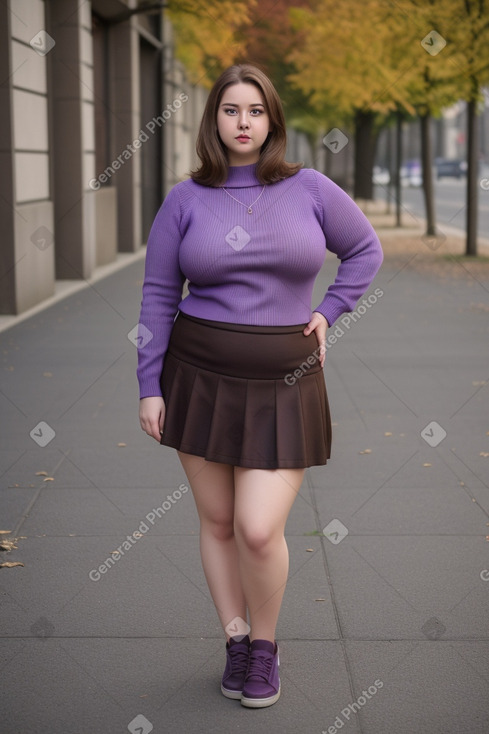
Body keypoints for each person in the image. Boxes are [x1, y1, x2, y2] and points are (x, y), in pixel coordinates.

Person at [137, 63, 383, 708]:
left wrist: (330, 311)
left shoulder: (310, 188)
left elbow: (365, 251)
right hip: (197, 374)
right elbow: (160, 294)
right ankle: (238, 641)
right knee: (217, 521)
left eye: (254, 110)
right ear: (213, 120)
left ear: (272, 119)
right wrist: (149, 385)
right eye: (229, 110)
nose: (242, 122)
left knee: (254, 528)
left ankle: (267, 647)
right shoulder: (186, 198)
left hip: (285, 379)